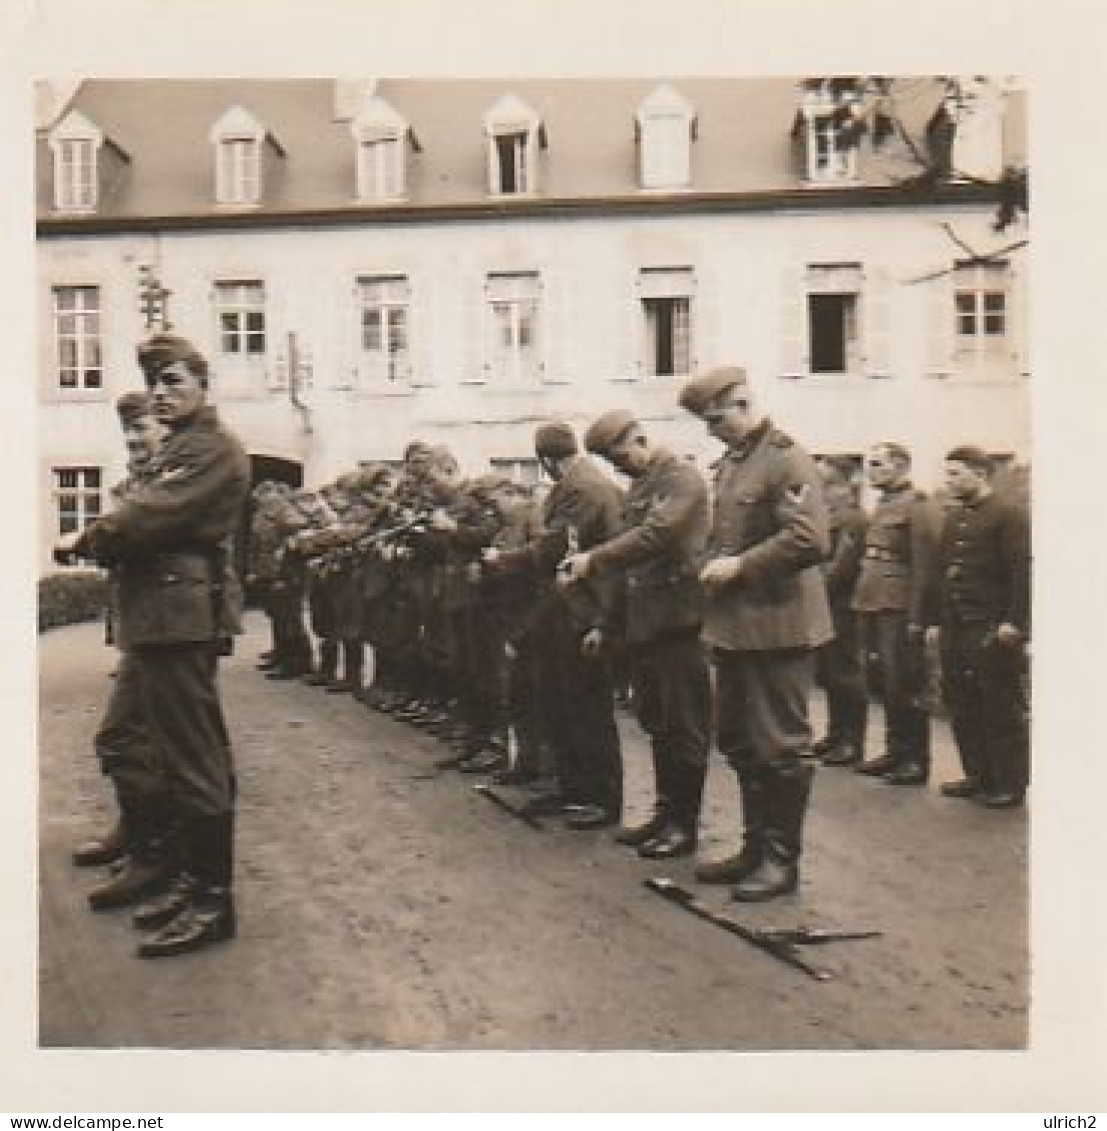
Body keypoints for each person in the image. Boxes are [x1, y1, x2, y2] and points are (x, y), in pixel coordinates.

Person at [58, 333, 250, 958]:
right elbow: (144, 508)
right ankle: (189, 879)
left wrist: (90, 538)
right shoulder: (186, 446)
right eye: (156, 384)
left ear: (203, 383)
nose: (162, 395)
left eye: (173, 381)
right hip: (160, 616)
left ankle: (213, 902)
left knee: (194, 758)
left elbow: (144, 516)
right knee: (172, 753)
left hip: (178, 617)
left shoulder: (213, 450)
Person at [678, 366, 832, 901]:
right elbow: (728, 534)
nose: (712, 431)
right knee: (740, 740)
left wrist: (740, 566)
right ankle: (754, 847)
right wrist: (712, 561)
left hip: (779, 626)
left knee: (781, 747)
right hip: (737, 628)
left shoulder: (785, 457)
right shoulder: (734, 464)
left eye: (717, 420)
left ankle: (780, 862)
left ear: (742, 402)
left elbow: (811, 538)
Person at [560, 410, 712, 859]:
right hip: (647, 623)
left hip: (680, 621)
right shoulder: (641, 487)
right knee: (659, 723)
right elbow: (631, 567)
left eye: (618, 455)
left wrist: (593, 560)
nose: (616, 466)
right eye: (608, 460)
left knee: (685, 727)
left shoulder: (682, 479)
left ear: (640, 437)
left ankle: (685, 824)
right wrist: (608, 623)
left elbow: (657, 536)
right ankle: (666, 814)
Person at [485, 421, 625, 826]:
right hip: (569, 609)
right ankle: (575, 789)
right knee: (564, 705)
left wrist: (502, 561)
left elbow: (553, 549)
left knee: (587, 709)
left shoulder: (583, 490)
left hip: (583, 611)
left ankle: (600, 797)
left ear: (547, 461)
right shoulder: (581, 485)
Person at [70, 392, 172, 878]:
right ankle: (137, 833)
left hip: (170, 626)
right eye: (127, 431)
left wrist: (92, 542)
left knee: (123, 736)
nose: (133, 439)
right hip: (145, 622)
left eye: (142, 428)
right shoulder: (142, 482)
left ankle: (152, 853)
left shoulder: (172, 483)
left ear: (164, 429)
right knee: (141, 739)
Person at [924, 446, 1030, 807]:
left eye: (955, 473)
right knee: (962, 702)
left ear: (980, 473)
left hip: (990, 626)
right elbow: (941, 573)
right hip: (957, 626)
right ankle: (978, 775)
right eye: (947, 473)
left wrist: (1014, 622)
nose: (948, 480)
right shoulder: (955, 518)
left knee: (999, 705)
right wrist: (936, 621)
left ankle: (1009, 784)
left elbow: (1021, 573)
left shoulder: (1008, 514)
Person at [851, 443, 941, 785]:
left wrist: (917, 617)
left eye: (878, 464)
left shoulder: (918, 505)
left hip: (898, 605)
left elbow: (925, 566)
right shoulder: (884, 503)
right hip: (872, 600)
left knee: (904, 682)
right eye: (869, 464)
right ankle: (895, 750)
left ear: (901, 466)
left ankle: (915, 759)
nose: (871, 471)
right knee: (883, 681)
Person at [812, 456, 869, 767]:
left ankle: (851, 742)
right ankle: (836, 733)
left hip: (843, 604)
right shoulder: (829, 515)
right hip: (827, 603)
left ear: (847, 485)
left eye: (829, 484)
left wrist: (816, 587)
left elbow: (842, 565)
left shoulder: (852, 519)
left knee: (846, 674)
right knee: (830, 672)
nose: (823, 491)